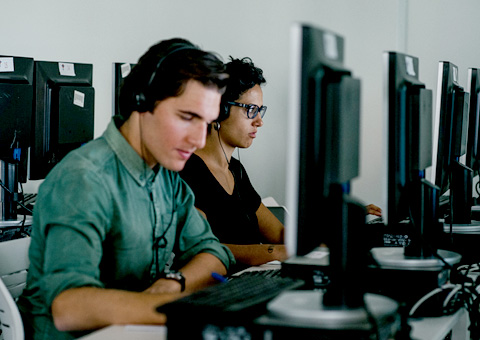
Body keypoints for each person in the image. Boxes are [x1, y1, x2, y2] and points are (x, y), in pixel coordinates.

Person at [17, 38, 235, 340]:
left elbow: (213, 253)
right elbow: (70, 308)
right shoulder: (84, 178)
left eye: (208, 123)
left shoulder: (165, 172)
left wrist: (172, 283)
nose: (199, 140)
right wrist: (177, 308)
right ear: (141, 101)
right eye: (188, 117)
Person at [180, 57, 382, 272]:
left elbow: (279, 235)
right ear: (218, 110)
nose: (259, 121)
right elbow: (202, 249)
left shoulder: (235, 170)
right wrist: (273, 252)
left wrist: (340, 228)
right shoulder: (187, 171)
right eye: (250, 110)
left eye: (260, 110)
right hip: (216, 287)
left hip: (248, 280)